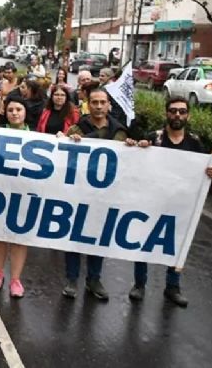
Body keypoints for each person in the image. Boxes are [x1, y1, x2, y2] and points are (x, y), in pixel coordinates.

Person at [124, 97, 212, 307]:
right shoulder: (154, 138)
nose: (177, 115)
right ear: (166, 113)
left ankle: (173, 287)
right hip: (152, 201)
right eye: (173, 110)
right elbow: (136, 164)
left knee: (177, 243)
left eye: (182, 111)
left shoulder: (194, 142)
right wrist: (138, 148)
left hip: (180, 205)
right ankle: (139, 284)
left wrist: (211, 172)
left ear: (188, 116)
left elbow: (202, 171)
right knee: (144, 242)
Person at [58, 88, 128, 300]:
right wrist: (64, 139)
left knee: (98, 238)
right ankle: (72, 279)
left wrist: (137, 147)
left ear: (109, 105)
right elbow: (61, 155)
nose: (98, 106)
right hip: (79, 194)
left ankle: (94, 279)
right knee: (74, 237)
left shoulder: (120, 132)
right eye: (94, 102)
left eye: (102, 102)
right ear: (88, 104)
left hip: (105, 196)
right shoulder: (77, 129)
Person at [0, 97, 30, 298]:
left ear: (25, 112)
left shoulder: (37, 137)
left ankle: (15, 279)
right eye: (11, 109)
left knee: (19, 237)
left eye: (18, 109)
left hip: (24, 194)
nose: (14, 113)